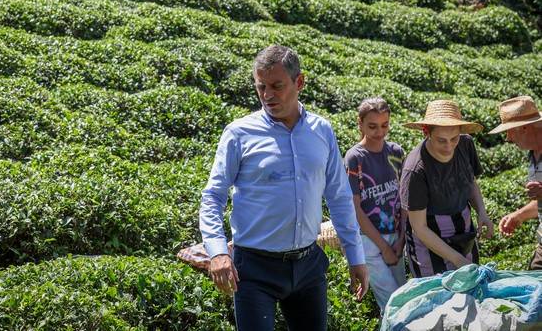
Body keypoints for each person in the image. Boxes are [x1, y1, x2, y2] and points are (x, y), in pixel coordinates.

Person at [199, 45, 368, 331]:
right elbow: (213, 197)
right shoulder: (239, 133)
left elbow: (338, 197)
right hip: (254, 267)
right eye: (261, 87)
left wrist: (356, 256)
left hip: (308, 265)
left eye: (277, 86)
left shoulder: (321, 130)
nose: (267, 95)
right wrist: (217, 252)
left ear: (299, 82)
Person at [399, 99, 494, 277]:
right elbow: (420, 227)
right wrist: (458, 260)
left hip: (463, 230)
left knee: (469, 289)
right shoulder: (416, 170)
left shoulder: (465, 144)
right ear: (426, 132)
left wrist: (482, 212)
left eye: (454, 138)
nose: (449, 146)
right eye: (441, 140)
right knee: (438, 297)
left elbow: (470, 181)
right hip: (430, 240)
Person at [344, 97, 406, 313]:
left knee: (402, 296)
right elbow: (355, 208)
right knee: (392, 301)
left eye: (384, 125)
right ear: (359, 123)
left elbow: (403, 198)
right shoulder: (355, 158)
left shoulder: (396, 153)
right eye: (372, 126)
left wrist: (402, 237)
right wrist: (384, 248)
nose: (379, 132)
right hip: (369, 241)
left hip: (396, 236)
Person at [490, 96, 542, 269]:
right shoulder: (534, 154)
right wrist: (519, 216)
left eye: (510, 130)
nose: (508, 138)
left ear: (525, 128)